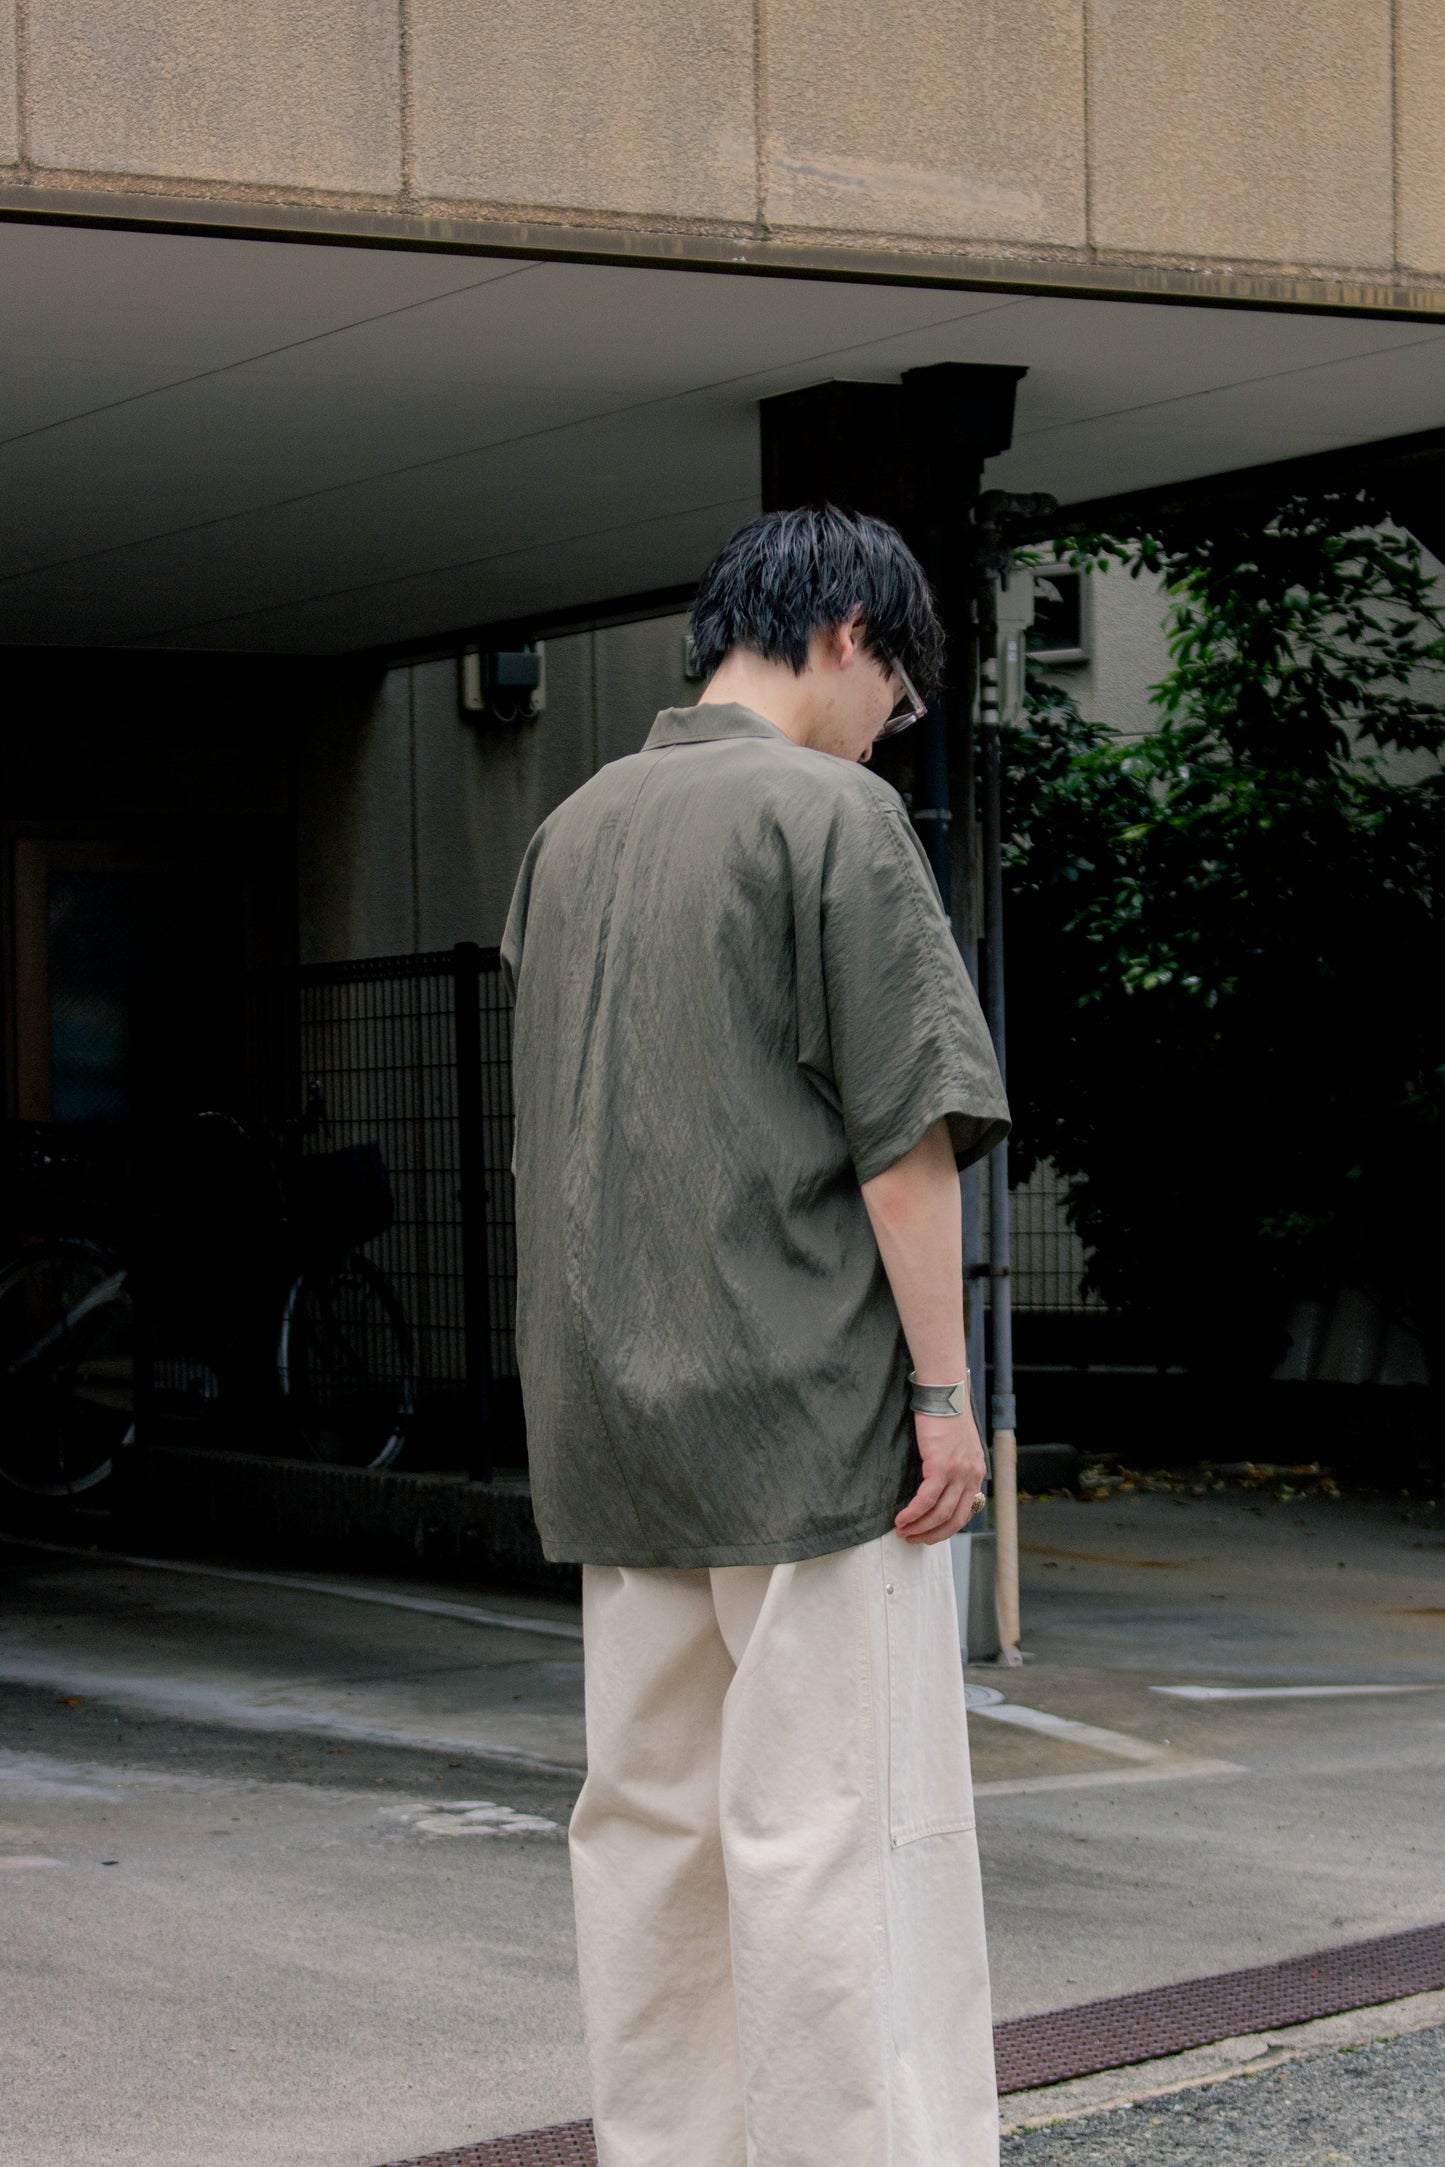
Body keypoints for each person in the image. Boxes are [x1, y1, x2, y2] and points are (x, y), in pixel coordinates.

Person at [500, 504, 1011, 2167]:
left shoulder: (573, 828)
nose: (888, 731)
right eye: (897, 695)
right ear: (850, 632)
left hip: (613, 1413)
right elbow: (903, 1142)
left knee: (651, 1833)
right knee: (835, 1832)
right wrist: (943, 1393)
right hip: (805, 1416)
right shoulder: (830, 814)